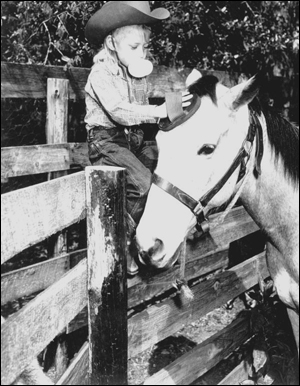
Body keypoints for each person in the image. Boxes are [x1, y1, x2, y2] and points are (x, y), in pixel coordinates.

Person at [84, 1, 190, 275]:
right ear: (111, 44)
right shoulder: (100, 74)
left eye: (144, 46)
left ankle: (172, 230)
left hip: (133, 141)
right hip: (105, 141)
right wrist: (158, 111)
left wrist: (178, 107)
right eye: (133, 47)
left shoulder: (138, 75)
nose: (141, 53)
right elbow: (120, 112)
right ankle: (126, 240)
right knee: (143, 185)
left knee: (168, 171)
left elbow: (154, 113)